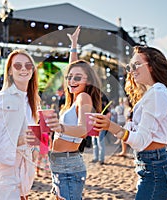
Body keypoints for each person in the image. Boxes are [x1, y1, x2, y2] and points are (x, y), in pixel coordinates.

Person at [91, 46, 167, 200]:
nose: (131, 70)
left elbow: (141, 141)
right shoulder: (153, 92)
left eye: (136, 65)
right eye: (129, 66)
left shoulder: (156, 93)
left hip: (155, 169)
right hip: (152, 167)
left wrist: (110, 126)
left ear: (152, 66)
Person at [45, 26, 102, 199]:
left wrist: (59, 127)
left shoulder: (83, 97)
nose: (71, 80)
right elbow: (73, 69)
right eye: (69, 77)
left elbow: (83, 130)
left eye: (78, 78)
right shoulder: (73, 98)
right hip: (59, 162)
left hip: (69, 164)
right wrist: (74, 45)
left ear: (88, 81)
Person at [0, 49, 40, 199]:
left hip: (26, 170)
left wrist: (37, 149)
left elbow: (35, 135)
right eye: (17, 66)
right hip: (4, 171)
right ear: (9, 71)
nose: (23, 69)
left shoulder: (33, 102)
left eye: (28, 65)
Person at [91, 94, 110, 165]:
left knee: (100, 142)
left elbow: (108, 114)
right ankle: (95, 158)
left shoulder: (101, 105)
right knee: (94, 142)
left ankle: (101, 159)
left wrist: (102, 120)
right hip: (93, 126)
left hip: (100, 126)